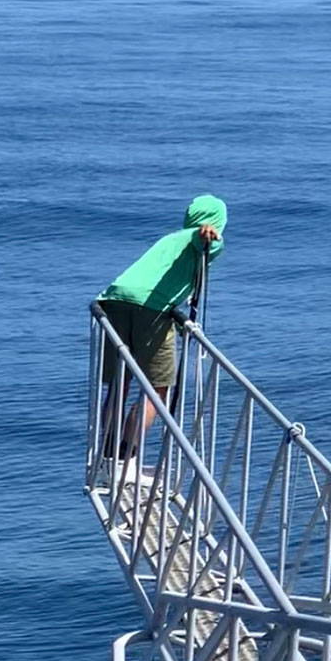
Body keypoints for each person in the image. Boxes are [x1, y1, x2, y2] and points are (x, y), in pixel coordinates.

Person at [96, 194, 227, 462]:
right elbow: (205, 240)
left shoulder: (170, 238)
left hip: (114, 299)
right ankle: (125, 455)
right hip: (151, 307)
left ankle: (107, 451)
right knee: (158, 388)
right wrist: (208, 234)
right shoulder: (200, 238)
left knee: (121, 381)